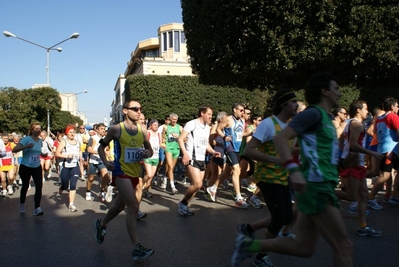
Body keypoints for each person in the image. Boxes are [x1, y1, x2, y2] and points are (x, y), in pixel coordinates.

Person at [231, 72, 353, 267]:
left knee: (303, 248)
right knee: (343, 246)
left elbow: (310, 147)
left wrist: (341, 160)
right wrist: (292, 168)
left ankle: (250, 245)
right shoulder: (310, 114)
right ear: (324, 91)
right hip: (313, 187)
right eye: (336, 89)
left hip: (313, 184)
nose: (339, 93)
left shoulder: (323, 118)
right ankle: (256, 249)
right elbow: (279, 140)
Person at [241, 89, 299, 266]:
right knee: (280, 217)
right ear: (283, 105)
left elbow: (288, 150)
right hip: (267, 177)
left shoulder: (290, 127)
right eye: (293, 102)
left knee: (286, 217)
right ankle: (260, 256)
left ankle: (248, 228)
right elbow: (249, 149)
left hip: (283, 176)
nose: (297, 105)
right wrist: (274, 160)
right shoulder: (268, 124)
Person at [94, 99, 154, 261]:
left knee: (118, 207)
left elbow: (150, 150)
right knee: (133, 206)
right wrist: (106, 163)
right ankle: (136, 248)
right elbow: (101, 147)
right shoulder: (116, 129)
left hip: (136, 173)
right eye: (135, 109)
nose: (139, 111)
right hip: (121, 173)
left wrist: (147, 154)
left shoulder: (142, 130)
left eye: (140, 108)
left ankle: (101, 224)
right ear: (125, 111)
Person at [336, 100, 382, 236]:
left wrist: (342, 153)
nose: (367, 111)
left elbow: (340, 139)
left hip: (355, 162)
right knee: (352, 196)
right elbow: (353, 145)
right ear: (358, 110)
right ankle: (321, 193)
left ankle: (363, 226)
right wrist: (373, 153)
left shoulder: (348, 123)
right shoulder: (355, 124)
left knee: (363, 195)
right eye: (365, 109)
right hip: (354, 163)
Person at [177, 106, 221, 215]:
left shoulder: (207, 127)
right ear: (202, 113)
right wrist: (185, 154)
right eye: (209, 114)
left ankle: (185, 205)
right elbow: (181, 139)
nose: (211, 117)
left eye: (211, 114)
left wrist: (212, 152)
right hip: (192, 156)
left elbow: (205, 143)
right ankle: (182, 203)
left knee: (197, 186)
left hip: (201, 158)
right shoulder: (192, 124)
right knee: (197, 184)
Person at [207, 102, 249, 208]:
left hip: (237, 149)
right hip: (229, 148)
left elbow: (241, 133)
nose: (242, 112)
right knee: (236, 170)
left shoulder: (242, 121)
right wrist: (224, 136)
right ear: (234, 109)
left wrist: (250, 133)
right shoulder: (228, 119)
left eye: (243, 111)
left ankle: (213, 188)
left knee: (226, 172)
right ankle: (238, 198)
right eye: (241, 110)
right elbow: (218, 129)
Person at [367, 97, 399, 209]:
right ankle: (370, 198)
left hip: (382, 149)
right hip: (391, 150)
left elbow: (375, 132)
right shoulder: (393, 116)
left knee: (389, 175)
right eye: (397, 105)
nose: (398, 108)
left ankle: (390, 195)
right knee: (384, 176)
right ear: (392, 106)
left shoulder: (379, 118)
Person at [12, 122, 45, 216]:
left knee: (39, 186)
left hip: (36, 166)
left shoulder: (40, 141)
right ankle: (22, 204)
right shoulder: (26, 139)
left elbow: (37, 152)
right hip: (26, 166)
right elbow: (14, 149)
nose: (38, 130)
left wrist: (43, 154)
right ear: (32, 130)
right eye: (36, 129)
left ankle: (37, 208)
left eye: (40, 129)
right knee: (25, 185)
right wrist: (26, 146)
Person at [55, 125, 83, 212]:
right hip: (66, 166)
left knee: (73, 185)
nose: (72, 134)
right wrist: (66, 156)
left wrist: (81, 157)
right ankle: (61, 190)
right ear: (67, 133)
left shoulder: (78, 142)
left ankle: (71, 204)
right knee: (65, 184)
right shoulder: (64, 142)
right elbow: (57, 153)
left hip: (75, 166)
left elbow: (80, 151)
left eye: (73, 132)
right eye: (70, 132)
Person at [86, 123, 111, 202]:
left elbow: (106, 150)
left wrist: (110, 158)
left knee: (105, 175)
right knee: (91, 178)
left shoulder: (105, 139)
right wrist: (99, 152)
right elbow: (89, 150)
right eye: (101, 129)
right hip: (93, 160)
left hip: (101, 160)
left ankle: (102, 191)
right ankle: (88, 191)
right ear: (97, 130)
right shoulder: (93, 138)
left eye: (104, 129)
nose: (103, 130)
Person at [161, 113, 182, 194]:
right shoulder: (166, 127)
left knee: (171, 168)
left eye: (175, 119)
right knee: (170, 165)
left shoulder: (179, 128)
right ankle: (173, 187)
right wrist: (163, 144)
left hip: (176, 149)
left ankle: (165, 178)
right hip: (168, 149)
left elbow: (184, 139)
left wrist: (178, 137)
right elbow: (163, 137)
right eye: (173, 119)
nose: (174, 121)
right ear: (170, 119)